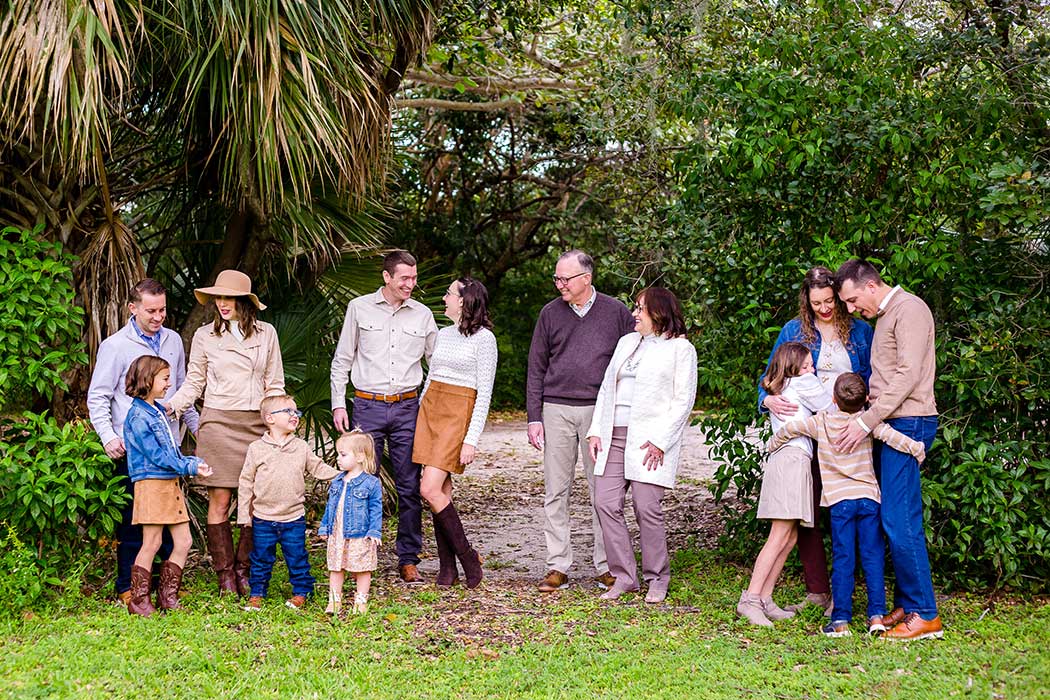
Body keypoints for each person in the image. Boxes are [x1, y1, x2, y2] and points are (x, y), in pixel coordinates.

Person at [768, 372, 926, 637]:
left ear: (833, 398)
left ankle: (841, 619)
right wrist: (917, 448)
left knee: (844, 559)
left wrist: (771, 446)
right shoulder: (868, 422)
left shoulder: (821, 422)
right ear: (866, 399)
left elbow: (790, 429)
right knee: (873, 557)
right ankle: (876, 615)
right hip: (867, 500)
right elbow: (893, 437)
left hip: (840, 502)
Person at [834, 258, 942, 641]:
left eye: (851, 300)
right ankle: (911, 604)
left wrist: (866, 420)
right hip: (891, 421)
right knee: (894, 517)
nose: (850, 309)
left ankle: (926, 614)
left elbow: (908, 375)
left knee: (900, 520)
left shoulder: (909, 309)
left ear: (871, 285)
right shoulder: (888, 315)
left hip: (908, 422)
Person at [757, 266, 873, 614]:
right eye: (816, 303)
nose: (823, 309)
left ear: (839, 296)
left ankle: (842, 591)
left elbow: (871, 378)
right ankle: (817, 588)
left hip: (848, 430)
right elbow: (769, 375)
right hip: (808, 430)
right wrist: (766, 400)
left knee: (846, 507)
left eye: (828, 301)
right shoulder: (794, 330)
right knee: (805, 511)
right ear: (806, 302)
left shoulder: (861, 331)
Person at [168, 269, 285, 596]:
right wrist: (170, 406)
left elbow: (275, 383)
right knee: (219, 499)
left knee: (251, 501)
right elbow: (194, 381)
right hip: (218, 421)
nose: (221, 303)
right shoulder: (205, 336)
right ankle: (225, 575)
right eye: (218, 297)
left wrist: (278, 422)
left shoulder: (267, 334)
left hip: (256, 423)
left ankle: (244, 570)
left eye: (228, 297)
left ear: (244, 302)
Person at [527, 250, 636, 592]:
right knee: (555, 490)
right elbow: (536, 366)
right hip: (556, 408)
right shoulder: (550, 313)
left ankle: (606, 565)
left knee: (600, 490)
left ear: (586, 279)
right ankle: (558, 565)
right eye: (557, 278)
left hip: (599, 411)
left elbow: (635, 356)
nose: (560, 284)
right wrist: (534, 417)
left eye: (565, 279)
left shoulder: (616, 311)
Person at [87, 278, 200, 605]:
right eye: (151, 310)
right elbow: (98, 397)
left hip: (168, 444)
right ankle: (128, 586)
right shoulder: (116, 345)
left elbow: (181, 392)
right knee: (132, 520)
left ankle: (167, 585)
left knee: (168, 516)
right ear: (133, 308)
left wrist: (196, 429)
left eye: (162, 309)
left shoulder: (173, 341)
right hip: (131, 446)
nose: (158, 316)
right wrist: (108, 437)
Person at [330, 250, 438, 584]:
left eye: (414, 277)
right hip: (368, 405)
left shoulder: (422, 314)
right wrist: (337, 404)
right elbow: (342, 359)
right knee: (361, 483)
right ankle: (360, 556)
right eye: (405, 277)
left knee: (409, 485)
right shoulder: (359, 308)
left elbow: (437, 365)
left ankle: (408, 558)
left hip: (408, 407)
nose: (411, 284)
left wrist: (430, 406)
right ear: (387, 277)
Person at [586, 287, 697, 603]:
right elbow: (607, 389)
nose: (634, 314)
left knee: (646, 507)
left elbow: (683, 400)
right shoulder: (626, 343)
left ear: (659, 312)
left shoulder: (680, 349)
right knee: (605, 502)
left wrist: (661, 442)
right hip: (614, 436)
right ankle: (624, 577)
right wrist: (597, 430)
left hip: (649, 441)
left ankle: (657, 578)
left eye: (640, 309)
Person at [738, 342, 832, 627]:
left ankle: (765, 598)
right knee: (779, 535)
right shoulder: (804, 382)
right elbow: (830, 407)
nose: (811, 369)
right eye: (805, 366)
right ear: (793, 369)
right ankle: (750, 599)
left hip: (794, 459)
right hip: (791, 459)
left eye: (810, 365)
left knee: (790, 537)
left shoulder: (783, 386)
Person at [414, 277, 497, 590]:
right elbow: (431, 378)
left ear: (464, 300)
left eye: (449, 293)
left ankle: (467, 556)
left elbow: (484, 393)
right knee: (442, 492)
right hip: (431, 409)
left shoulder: (484, 339)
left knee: (429, 489)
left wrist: (471, 438)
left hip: (457, 414)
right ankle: (447, 568)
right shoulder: (444, 334)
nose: (444, 298)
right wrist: (421, 415)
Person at [122, 356, 212, 616]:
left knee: (183, 541)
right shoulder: (138, 416)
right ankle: (138, 601)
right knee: (151, 542)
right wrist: (189, 467)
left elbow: (170, 452)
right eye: (164, 378)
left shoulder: (158, 411)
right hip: (151, 484)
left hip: (168, 483)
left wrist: (193, 463)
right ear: (147, 380)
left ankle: (167, 597)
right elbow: (157, 456)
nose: (168, 383)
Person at [238, 394, 341, 611]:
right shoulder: (257, 448)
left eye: (296, 412)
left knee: (297, 557)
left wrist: (342, 475)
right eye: (288, 411)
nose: (295, 416)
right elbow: (246, 482)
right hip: (263, 518)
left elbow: (318, 467)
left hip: (293, 517)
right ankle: (257, 593)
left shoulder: (300, 446)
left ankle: (302, 591)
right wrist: (243, 516)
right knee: (260, 559)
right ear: (270, 418)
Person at [319, 430, 383, 615]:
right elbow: (330, 506)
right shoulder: (337, 481)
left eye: (343, 454)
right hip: (338, 532)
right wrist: (325, 526)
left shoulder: (370, 483)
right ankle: (334, 600)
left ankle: (361, 600)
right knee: (336, 566)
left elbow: (375, 509)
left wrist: (374, 531)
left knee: (362, 567)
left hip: (359, 533)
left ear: (360, 456)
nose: (338, 458)